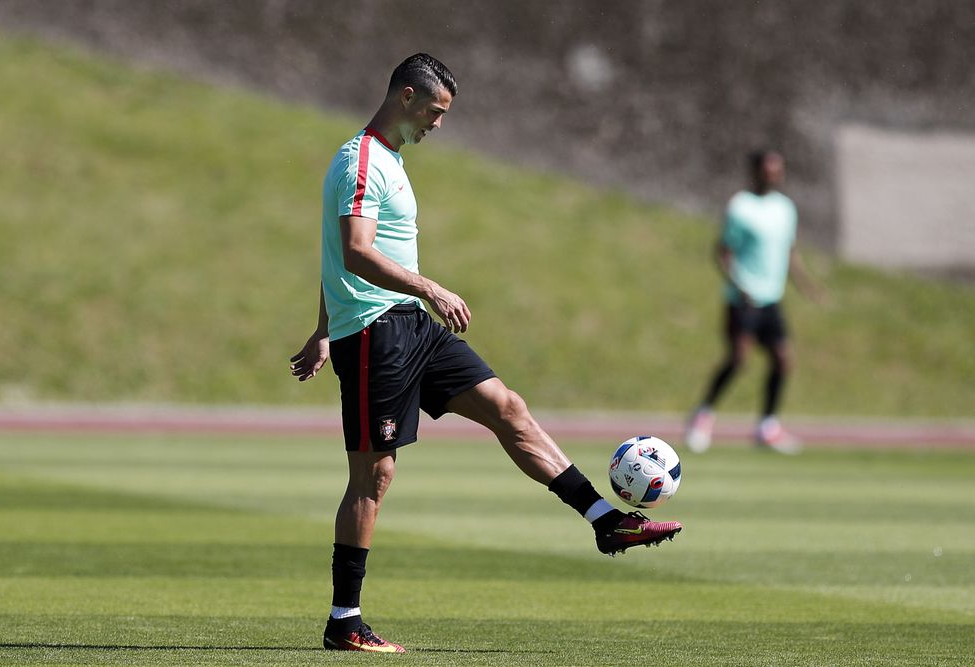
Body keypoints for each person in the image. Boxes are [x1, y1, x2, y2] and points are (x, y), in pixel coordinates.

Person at [290, 53, 683, 654]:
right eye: (435, 111)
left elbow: (341, 255)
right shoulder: (360, 160)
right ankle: (345, 621)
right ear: (405, 96)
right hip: (374, 333)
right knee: (374, 475)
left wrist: (324, 325)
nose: (438, 124)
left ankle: (606, 521)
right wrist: (422, 291)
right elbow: (352, 252)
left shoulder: (390, 160)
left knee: (508, 407)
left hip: (410, 326)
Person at [684, 149, 825, 455]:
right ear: (755, 171)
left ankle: (767, 427)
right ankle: (702, 416)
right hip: (744, 299)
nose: (774, 176)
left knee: (783, 359)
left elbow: (790, 251)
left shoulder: (785, 208)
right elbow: (722, 252)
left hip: (772, 299)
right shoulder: (741, 206)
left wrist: (806, 285)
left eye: (778, 171)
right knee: (739, 358)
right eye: (768, 170)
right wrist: (739, 285)